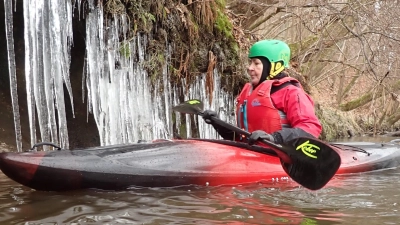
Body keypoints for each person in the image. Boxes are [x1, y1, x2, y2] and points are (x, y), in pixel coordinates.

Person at [202, 39, 322, 145]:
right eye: (251, 62)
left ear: (275, 66)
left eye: (256, 63)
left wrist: (274, 138)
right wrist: (218, 124)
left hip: (277, 158)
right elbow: (240, 138)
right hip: (250, 156)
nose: (250, 68)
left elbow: (310, 129)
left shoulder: (292, 93)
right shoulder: (248, 92)